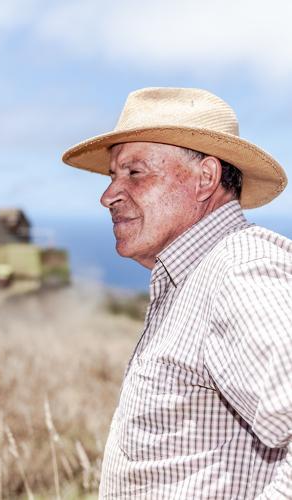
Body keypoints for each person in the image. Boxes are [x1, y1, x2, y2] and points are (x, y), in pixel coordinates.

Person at [62, 87, 292, 499]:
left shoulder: (239, 271)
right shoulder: (196, 276)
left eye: (135, 173)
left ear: (206, 178)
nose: (108, 195)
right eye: (113, 176)